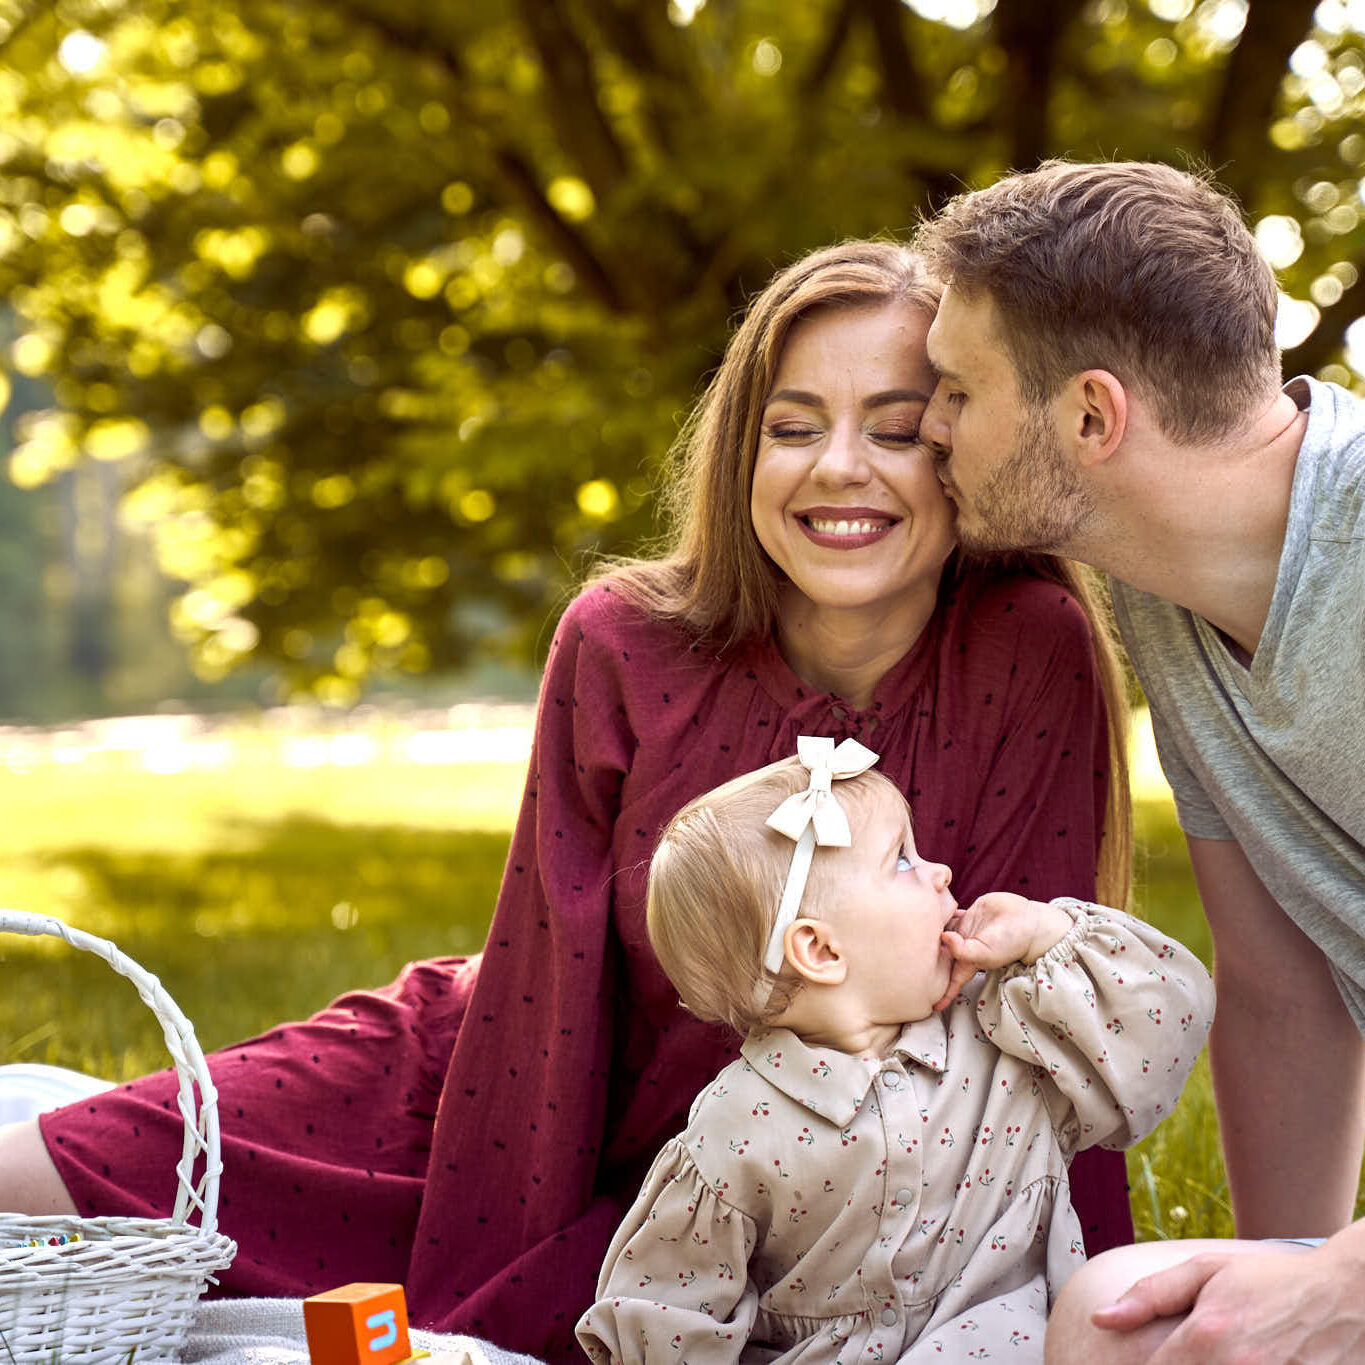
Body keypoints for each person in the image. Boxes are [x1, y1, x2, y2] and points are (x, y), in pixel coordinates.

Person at [0, 241, 1136, 1363]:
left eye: (894, 430)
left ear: (964, 453)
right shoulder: (622, 642)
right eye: (792, 428)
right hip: (491, 1096)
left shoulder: (1027, 650)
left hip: (788, 1187)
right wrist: (484, 1304)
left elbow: (1036, 1008)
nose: (839, 467)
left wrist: (1065, 1293)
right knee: (35, 1182)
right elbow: (542, 994)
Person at [914, 159, 1365, 1363]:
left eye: (958, 388)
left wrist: (1346, 1288)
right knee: (1123, 1317)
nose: (928, 423)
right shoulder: (1167, 590)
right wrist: (1281, 1295)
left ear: (1091, 418)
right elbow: (1280, 988)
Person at [576, 742, 1213, 1364]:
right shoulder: (736, 1129)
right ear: (821, 951)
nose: (940, 872)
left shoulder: (1010, 1030)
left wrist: (1047, 934)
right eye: (902, 860)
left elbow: (1170, 1019)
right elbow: (667, 1315)